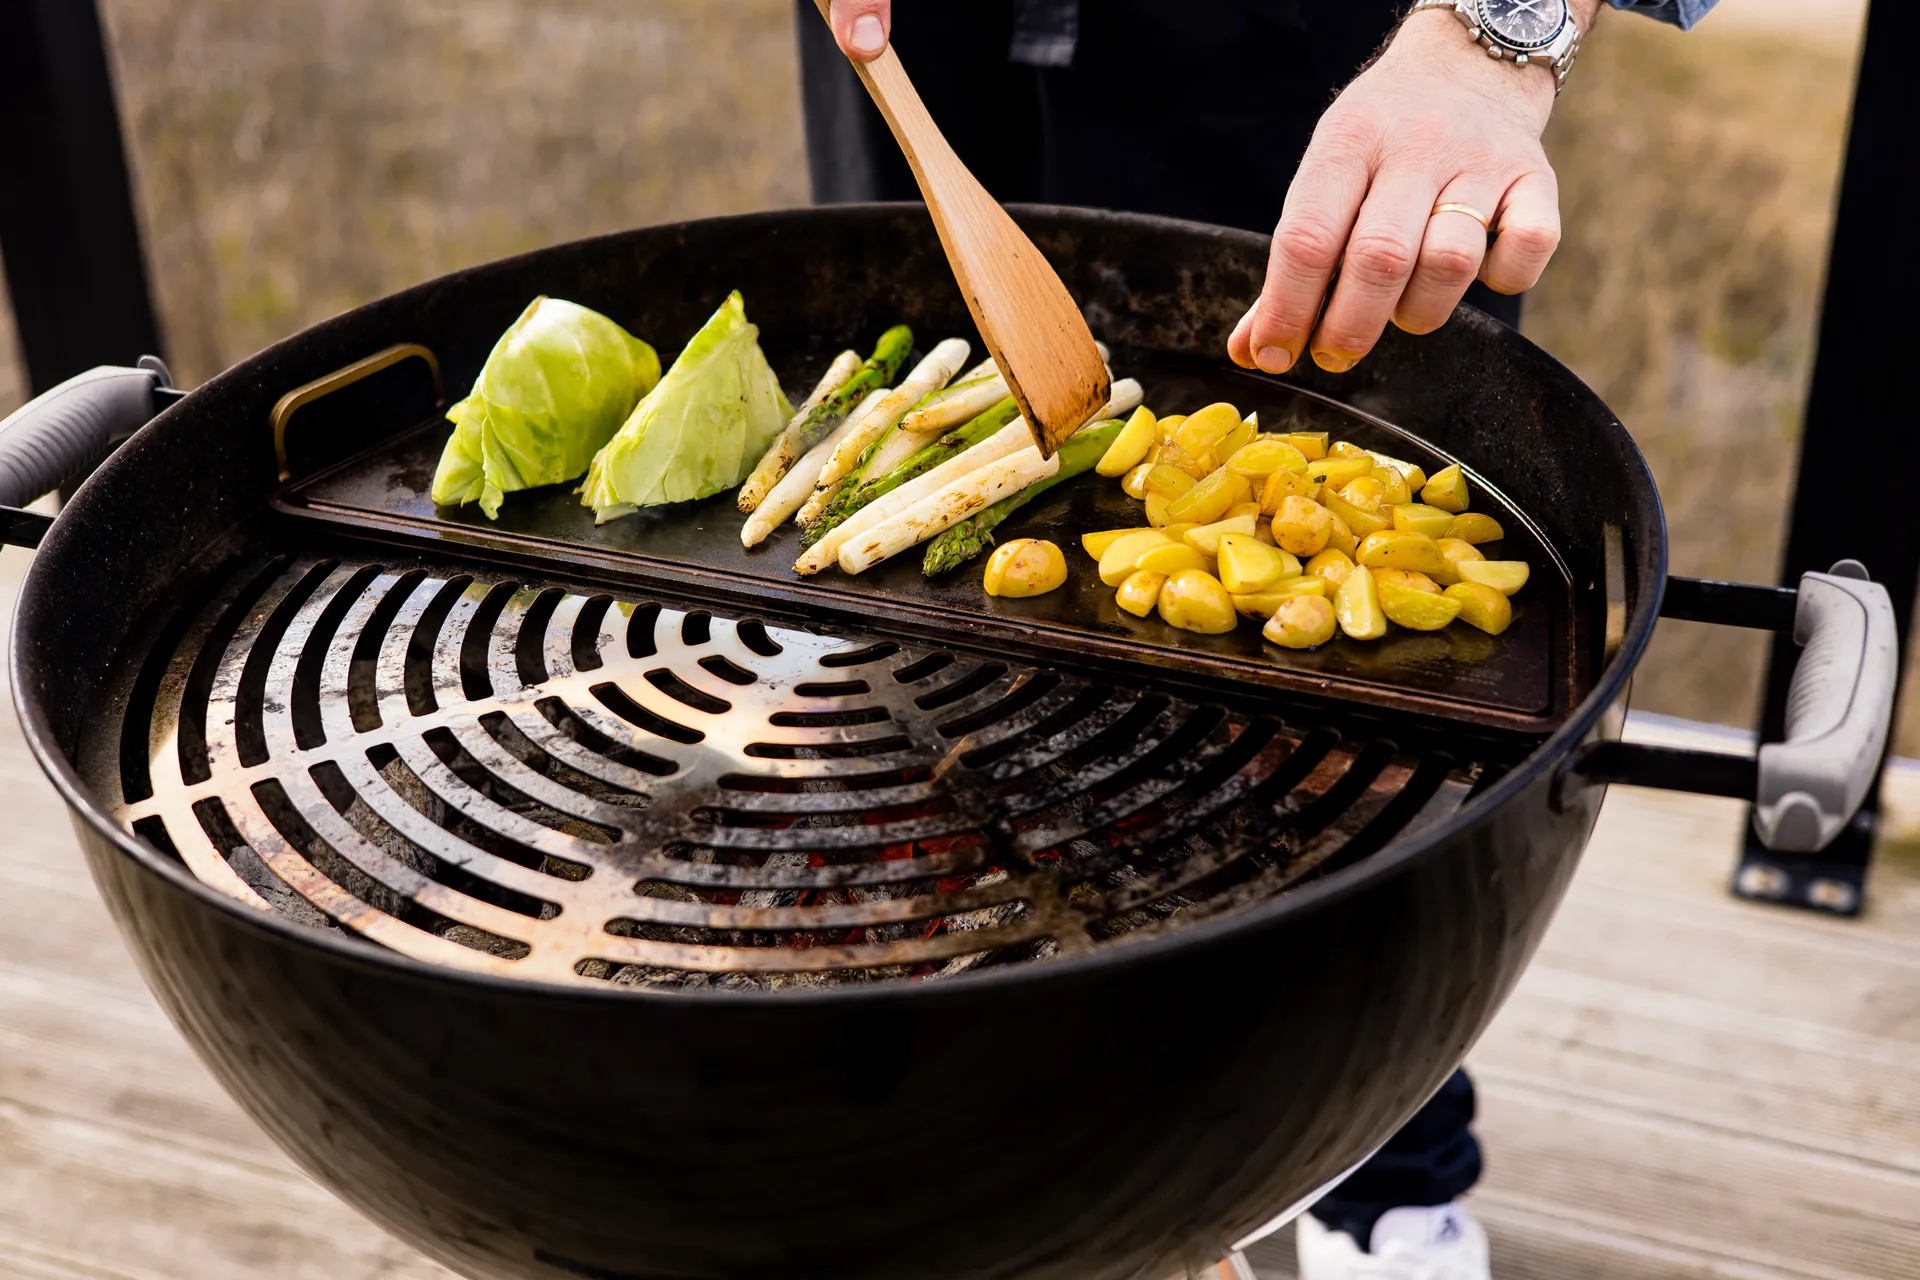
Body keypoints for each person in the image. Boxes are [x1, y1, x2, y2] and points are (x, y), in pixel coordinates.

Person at [798, 4, 1718, 1277]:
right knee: (942, 691)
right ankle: (1006, 1138)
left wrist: (1495, 38)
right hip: (922, 44)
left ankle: (1384, 1172)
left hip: (1328, 45)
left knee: (1355, 754)